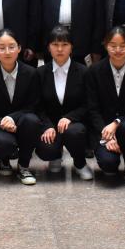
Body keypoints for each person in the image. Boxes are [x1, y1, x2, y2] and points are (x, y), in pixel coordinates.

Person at [85, 26, 125, 186]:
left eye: (123, 46)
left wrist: (116, 123)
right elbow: (92, 109)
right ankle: (111, 155)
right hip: (102, 128)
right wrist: (106, 136)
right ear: (106, 45)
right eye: (113, 46)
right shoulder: (94, 71)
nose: (118, 50)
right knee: (109, 165)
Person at [0, 29, 40, 185]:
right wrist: (1, 122)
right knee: (3, 143)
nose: (7, 52)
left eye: (12, 47)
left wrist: (12, 118)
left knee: (32, 121)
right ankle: (4, 159)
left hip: (21, 121)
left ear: (19, 48)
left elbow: (33, 105)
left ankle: (23, 166)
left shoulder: (31, 73)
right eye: (2, 47)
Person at [33, 25, 94, 180]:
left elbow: (89, 104)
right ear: (49, 47)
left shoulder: (84, 72)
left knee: (74, 132)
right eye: (55, 44)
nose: (60, 49)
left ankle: (80, 163)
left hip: (75, 124)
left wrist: (70, 117)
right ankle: (55, 156)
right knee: (46, 148)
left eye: (64, 44)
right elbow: (37, 106)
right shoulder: (40, 73)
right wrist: (47, 126)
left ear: (71, 47)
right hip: (51, 124)